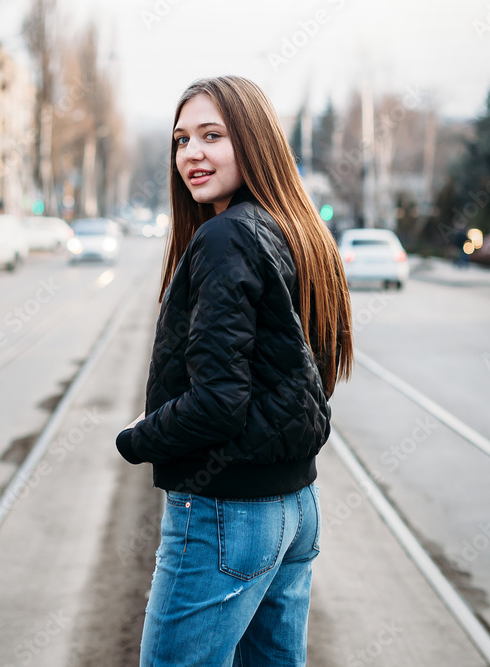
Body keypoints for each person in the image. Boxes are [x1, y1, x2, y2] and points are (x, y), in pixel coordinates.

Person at [115, 75, 354, 666]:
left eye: (212, 136)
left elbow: (219, 401)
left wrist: (137, 437)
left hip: (226, 512)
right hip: (294, 508)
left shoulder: (226, 237)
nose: (191, 154)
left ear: (254, 143)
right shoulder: (294, 230)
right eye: (181, 140)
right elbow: (301, 376)